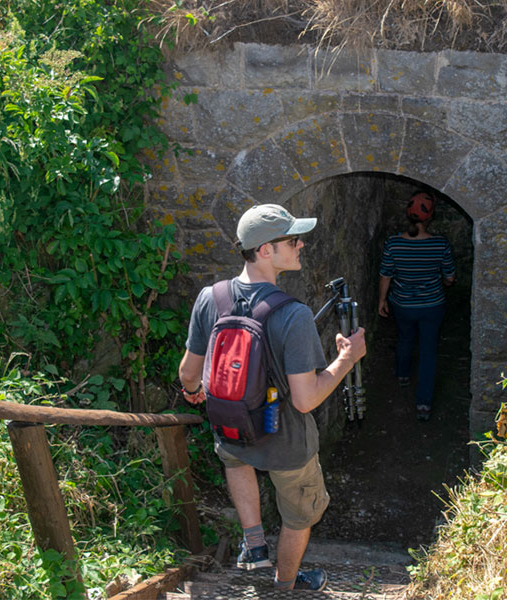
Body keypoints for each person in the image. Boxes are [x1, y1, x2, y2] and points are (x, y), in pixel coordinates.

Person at [178, 203, 366, 592]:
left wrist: (195, 393)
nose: (301, 246)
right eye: (293, 240)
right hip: (287, 444)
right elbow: (305, 399)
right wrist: (347, 359)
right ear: (266, 250)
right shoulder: (293, 314)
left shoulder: (210, 298)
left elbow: (188, 374)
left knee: (235, 459)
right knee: (300, 515)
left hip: (232, 429)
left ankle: (254, 541)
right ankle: (284, 585)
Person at [377, 191, 455, 421]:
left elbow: (385, 275)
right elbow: (450, 277)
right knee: (429, 351)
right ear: (431, 217)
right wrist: (443, 279)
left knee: (405, 337)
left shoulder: (394, 243)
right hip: (433, 306)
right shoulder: (440, 244)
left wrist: (382, 300)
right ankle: (424, 403)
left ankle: (402, 375)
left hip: (402, 304)